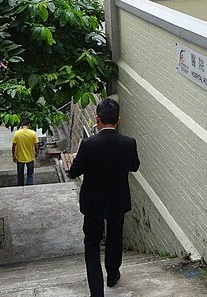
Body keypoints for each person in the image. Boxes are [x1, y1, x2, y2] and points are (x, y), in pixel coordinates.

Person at [68, 98, 140, 297]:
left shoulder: (89, 144)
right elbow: (134, 166)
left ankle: (97, 292)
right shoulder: (128, 143)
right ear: (118, 120)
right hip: (118, 199)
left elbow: (74, 171)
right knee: (115, 237)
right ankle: (113, 274)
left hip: (93, 202)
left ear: (97, 118)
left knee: (91, 243)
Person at [12, 117, 39, 186]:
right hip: (30, 157)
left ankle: (20, 186)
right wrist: (36, 153)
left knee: (20, 174)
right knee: (30, 173)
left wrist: (13, 155)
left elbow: (14, 146)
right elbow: (36, 145)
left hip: (20, 158)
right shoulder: (33, 133)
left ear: (21, 125)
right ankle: (29, 186)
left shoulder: (17, 134)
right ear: (29, 125)